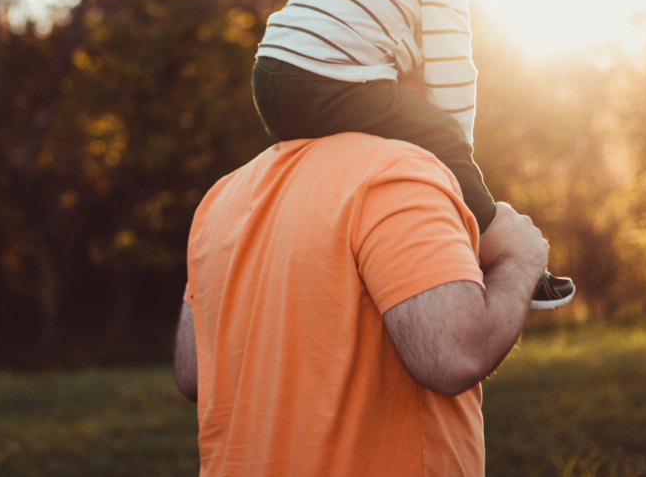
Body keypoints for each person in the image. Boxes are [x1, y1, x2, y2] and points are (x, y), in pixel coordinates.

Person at [250, 0, 573, 308]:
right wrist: (455, 153)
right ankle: (499, 250)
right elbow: (454, 79)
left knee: (393, 124)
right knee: (437, 130)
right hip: (324, 80)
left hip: (271, 75)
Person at [174, 133, 549, 476]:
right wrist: (520, 259)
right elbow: (455, 353)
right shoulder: (394, 173)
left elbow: (193, 371)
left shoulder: (221, 197)